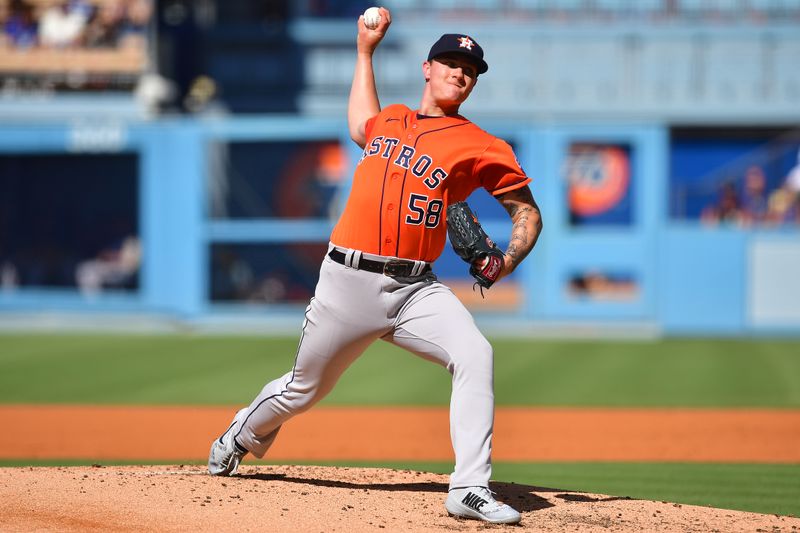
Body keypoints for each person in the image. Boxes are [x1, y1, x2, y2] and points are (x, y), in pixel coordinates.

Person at [207, 7, 542, 526]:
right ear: (428, 68)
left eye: (470, 70)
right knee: (304, 388)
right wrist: (365, 50)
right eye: (451, 62)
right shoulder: (391, 121)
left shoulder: (481, 145)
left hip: (415, 289)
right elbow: (360, 122)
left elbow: (526, 212)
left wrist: (506, 260)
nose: (460, 73)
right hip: (347, 279)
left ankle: (469, 488)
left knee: (476, 353)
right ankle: (240, 435)